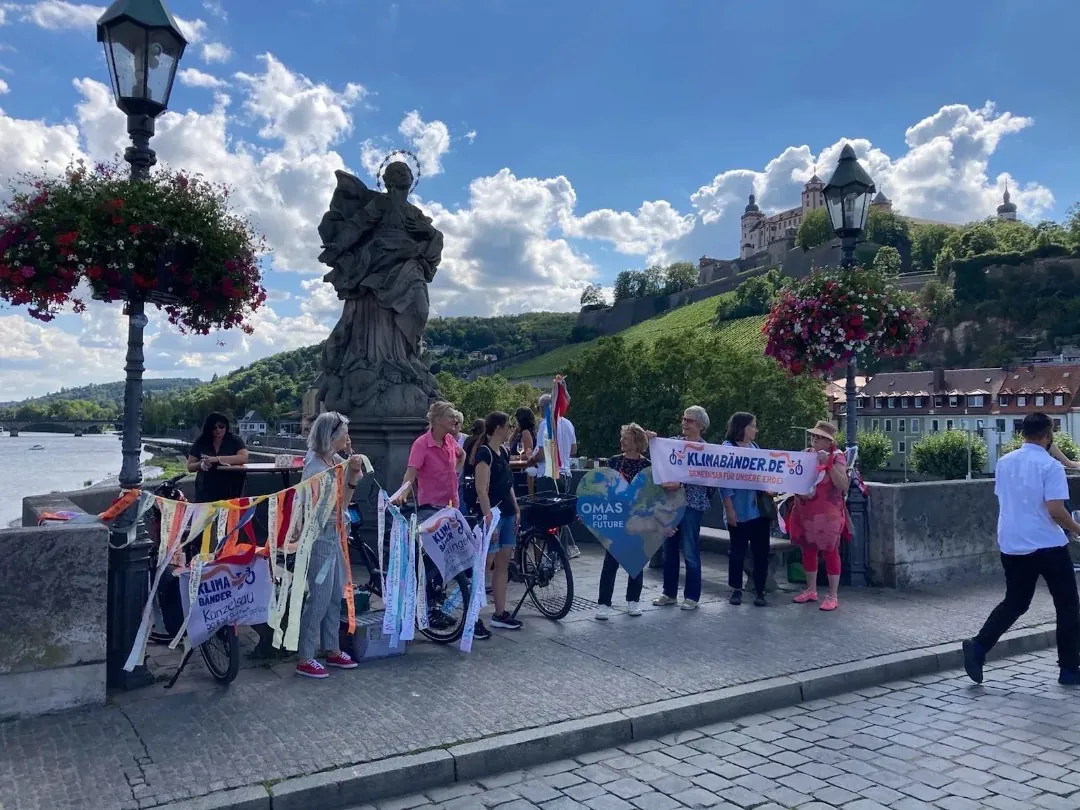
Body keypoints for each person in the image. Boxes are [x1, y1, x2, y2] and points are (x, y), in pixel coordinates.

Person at [963, 413, 1080, 686]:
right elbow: (1056, 512)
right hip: (1047, 544)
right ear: (1048, 435)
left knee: (1015, 602)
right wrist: (1077, 529)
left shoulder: (1004, 463)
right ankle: (1069, 670)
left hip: (1012, 543)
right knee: (1067, 606)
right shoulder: (1050, 467)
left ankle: (979, 646)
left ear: (1023, 433)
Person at [394, 401, 491, 639]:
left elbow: (462, 455)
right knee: (436, 558)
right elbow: (411, 472)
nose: (455, 421)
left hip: (451, 507)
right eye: (450, 417)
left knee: (461, 557)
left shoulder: (449, 441)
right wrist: (404, 491)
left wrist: (454, 474)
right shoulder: (421, 444)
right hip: (430, 508)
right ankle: (424, 599)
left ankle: (441, 601)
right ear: (436, 420)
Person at [295, 411, 366, 679]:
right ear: (332, 436)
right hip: (321, 536)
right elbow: (340, 506)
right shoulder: (317, 470)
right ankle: (305, 655)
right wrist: (352, 478)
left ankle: (332, 648)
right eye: (345, 433)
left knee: (336, 593)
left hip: (333, 534)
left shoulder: (329, 459)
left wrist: (351, 465)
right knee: (321, 595)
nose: (348, 437)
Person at [652, 406, 713, 611]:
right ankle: (669, 593)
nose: (685, 423)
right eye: (684, 419)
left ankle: (692, 596)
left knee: (690, 550)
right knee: (669, 550)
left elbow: (707, 477)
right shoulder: (673, 443)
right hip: (671, 504)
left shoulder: (707, 450)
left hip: (692, 504)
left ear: (700, 425)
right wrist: (651, 437)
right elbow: (656, 447)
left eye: (690, 421)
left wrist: (682, 482)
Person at [787, 421, 849, 612]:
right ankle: (811, 590)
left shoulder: (837, 457)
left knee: (830, 552)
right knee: (808, 550)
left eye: (819, 437)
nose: (814, 439)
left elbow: (843, 485)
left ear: (829, 441)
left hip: (828, 514)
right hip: (805, 510)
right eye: (813, 435)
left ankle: (832, 595)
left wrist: (827, 465)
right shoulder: (806, 454)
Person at [596, 423, 652, 620]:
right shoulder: (613, 462)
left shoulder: (647, 465)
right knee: (610, 563)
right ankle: (603, 603)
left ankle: (633, 601)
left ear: (636, 441)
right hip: (617, 518)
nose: (621, 441)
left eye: (625, 438)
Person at [474, 411, 523, 630]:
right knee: (486, 563)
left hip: (508, 511)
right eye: (507, 426)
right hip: (493, 513)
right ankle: (473, 613)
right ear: (498, 428)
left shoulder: (502, 451)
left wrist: (516, 508)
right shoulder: (485, 453)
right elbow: (481, 488)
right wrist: (488, 517)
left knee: (502, 563)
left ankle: (500, 612)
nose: (510, 430)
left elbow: (508, 483)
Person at [720, 412, 772, 608]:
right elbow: (724, 482)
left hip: (758, 511)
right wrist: (729, 509)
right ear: (742, 428)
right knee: (737, 552)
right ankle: (736, 589)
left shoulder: (755, 448)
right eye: (753, 426)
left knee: (761, 552)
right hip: (739, 510)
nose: (755, 430)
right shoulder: (727, 449)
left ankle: (760, 590)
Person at [530, 393, 580, 557]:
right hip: (566, 474)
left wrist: (532, 459)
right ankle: (561, 554)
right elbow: (573, 450)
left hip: (548, 474)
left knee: (545, 519)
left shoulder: (545, 424)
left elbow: (543, 452)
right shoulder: (568, 423)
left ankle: (551, 556)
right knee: (560, 518)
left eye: (539, 408)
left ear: (544, 408)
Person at [186, 413, 249, 503]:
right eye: (214, 428)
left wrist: (216, 459)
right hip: (205, 490)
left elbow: (243, 458)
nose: (218, 430)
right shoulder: (201, 442)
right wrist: (202, 464)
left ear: (226, 426)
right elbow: (190, 466)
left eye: (221, 426)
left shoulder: (235, 440)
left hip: (231, 489)